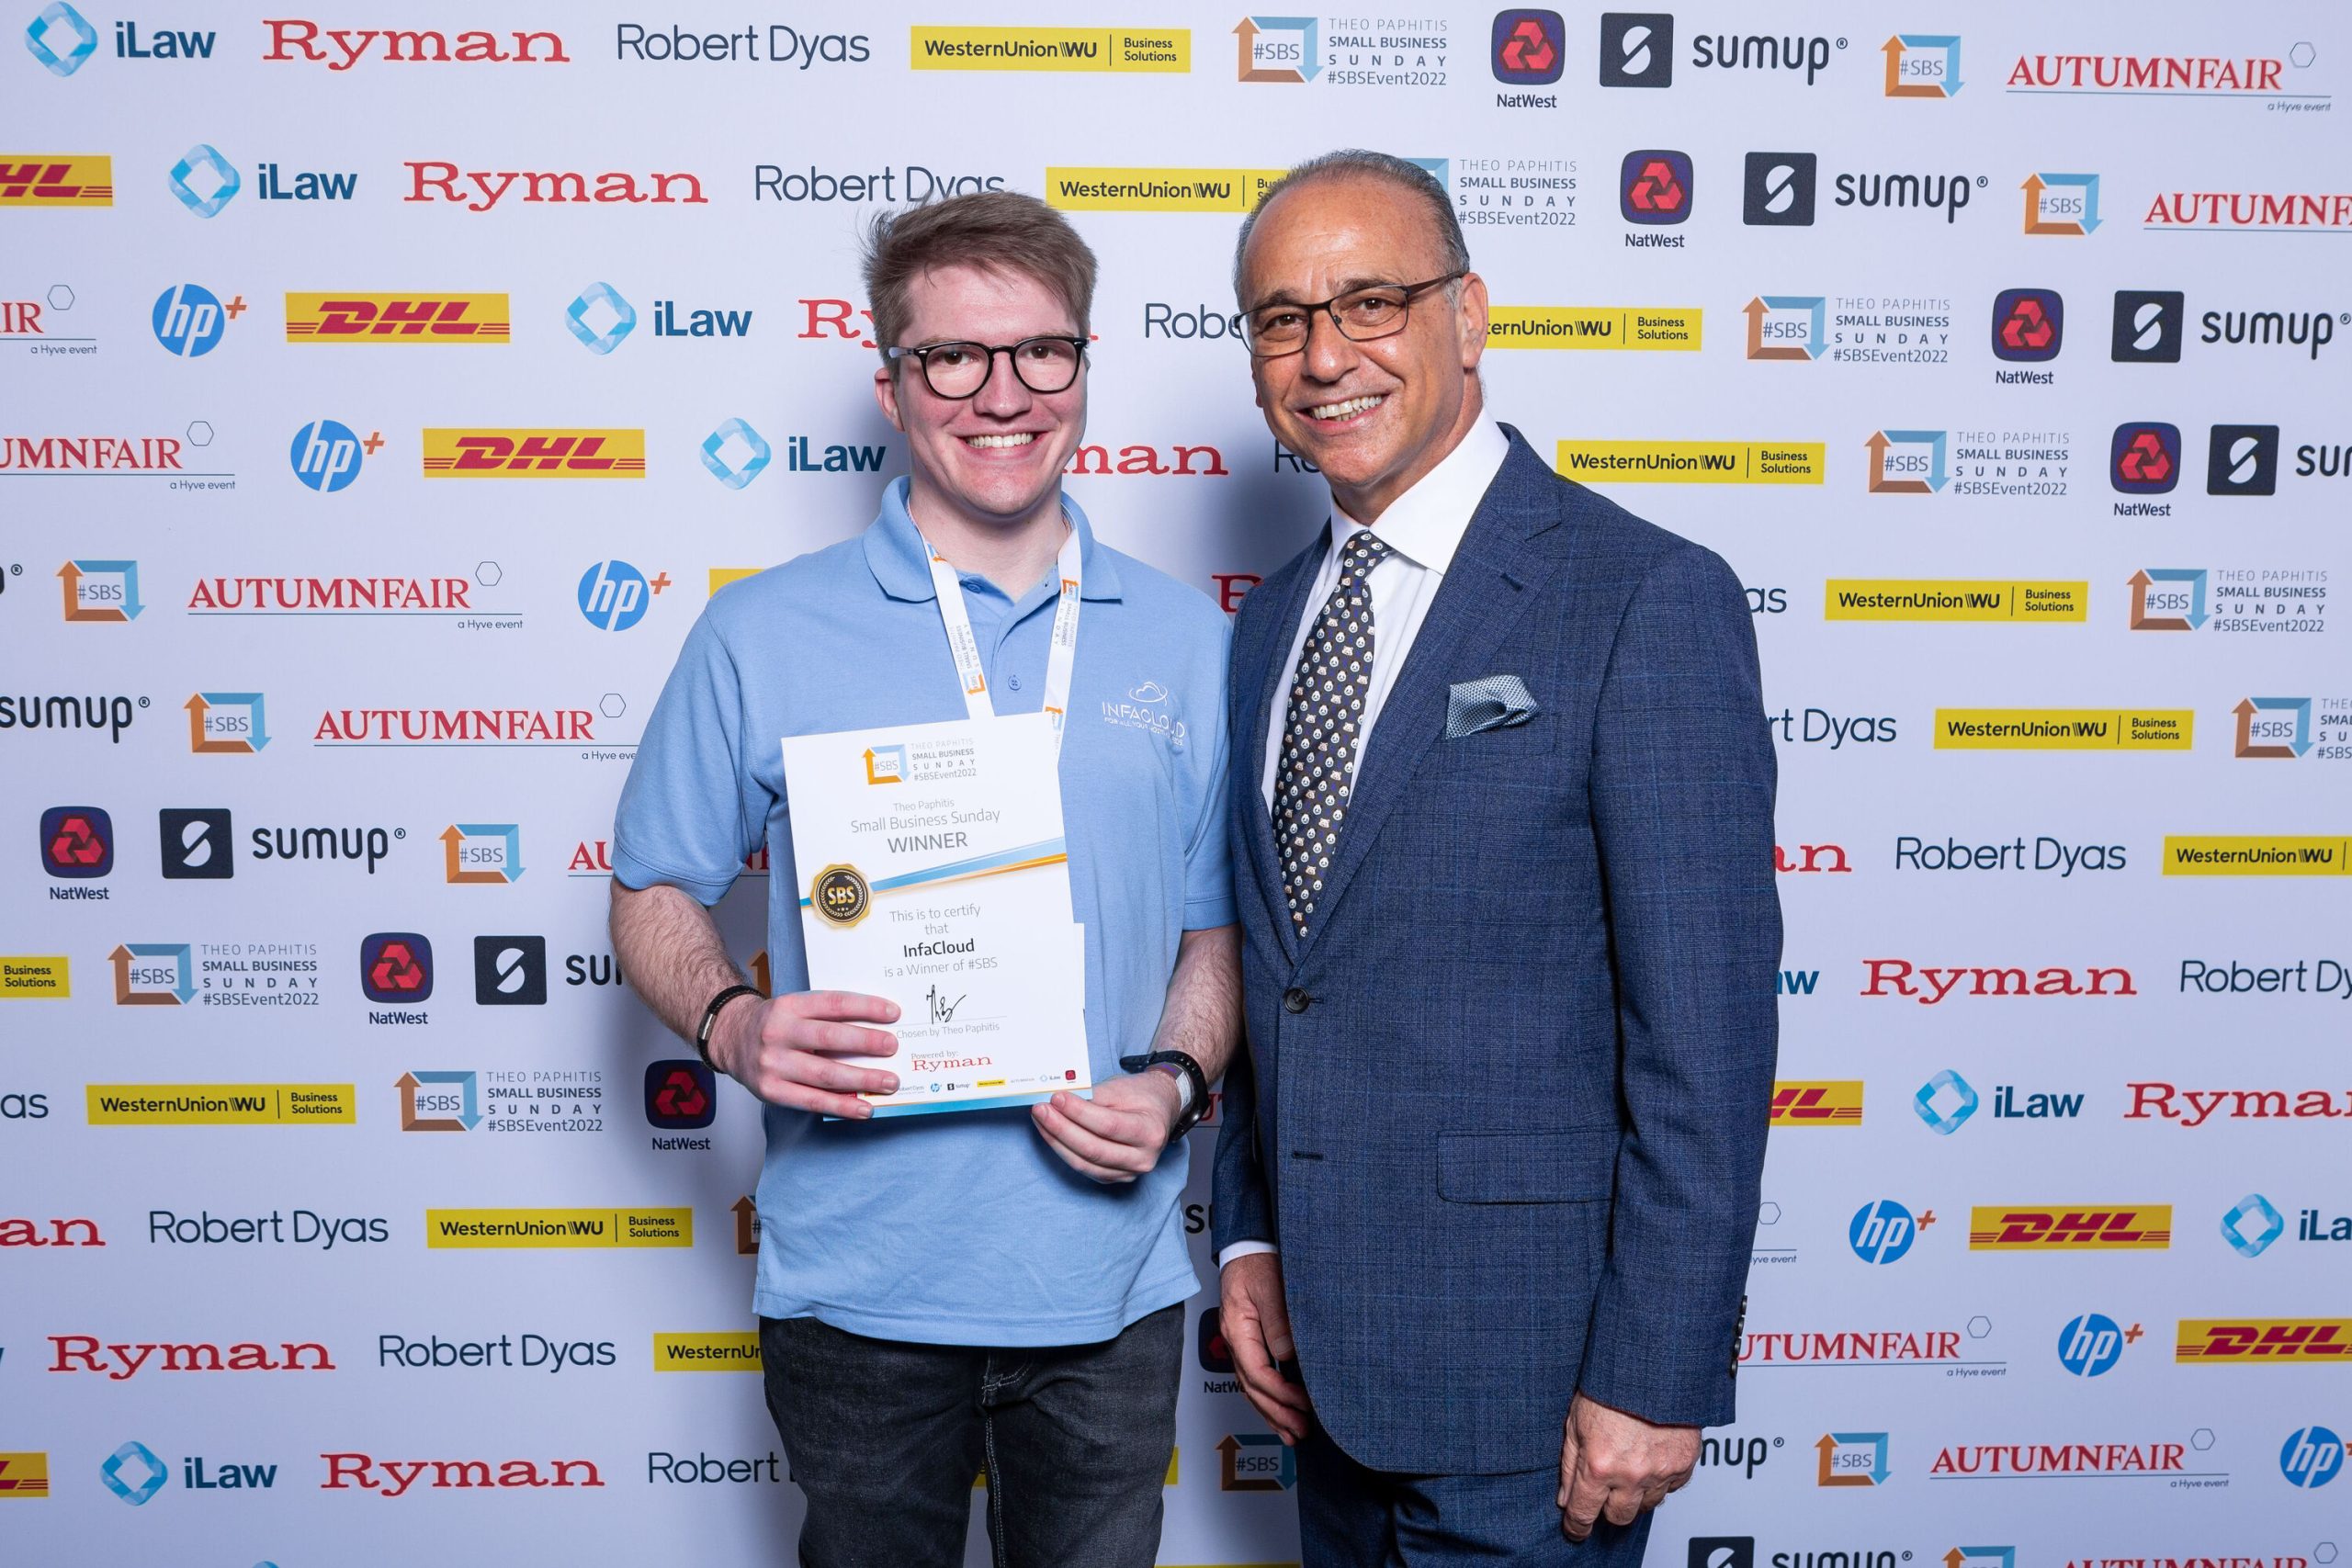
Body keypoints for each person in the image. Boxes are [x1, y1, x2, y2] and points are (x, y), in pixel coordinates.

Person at [608, 189, 1239, 1568]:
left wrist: (1181, 1082)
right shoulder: (761, 630)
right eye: (953, 356)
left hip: (1108, 1288)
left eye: (1040, 352)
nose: (1000, 394)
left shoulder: (1191, 641)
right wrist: (733, 1025)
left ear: (1084, 367)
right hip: (856, 1292)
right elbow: (652, 887)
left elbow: (1214, 935)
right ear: (891, 381)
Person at [1209, 150, 1781, 1562]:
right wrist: (1247, 1241)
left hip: (1544, 1400)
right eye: (1282, 319)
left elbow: (1703, 1035)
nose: (1325, 355)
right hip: (1326, 1383)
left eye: (1372, 302)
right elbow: (1289, 977)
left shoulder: (1641, 595)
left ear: (1469, 315)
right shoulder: (1272, 626)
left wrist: (1653, 1372)